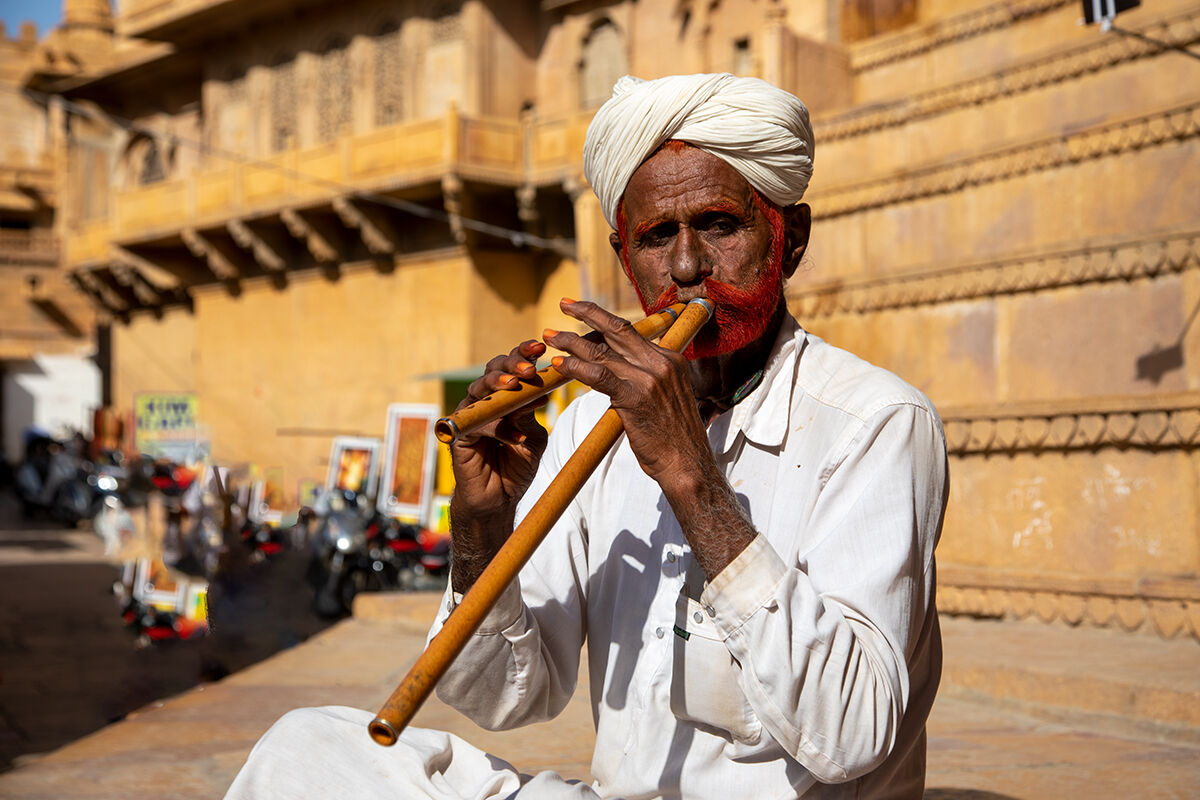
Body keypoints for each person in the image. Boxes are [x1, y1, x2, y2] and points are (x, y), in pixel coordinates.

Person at [225, 73, 948, 800]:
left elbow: (853, 731)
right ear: (624, 255)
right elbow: (504, 697)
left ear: (789, 240)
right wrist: (483, 527)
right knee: (306, 750)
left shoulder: (878, 422)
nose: (689, 268)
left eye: (721, 226)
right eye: (657, 238)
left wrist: (690, 476)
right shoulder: (586, 425)